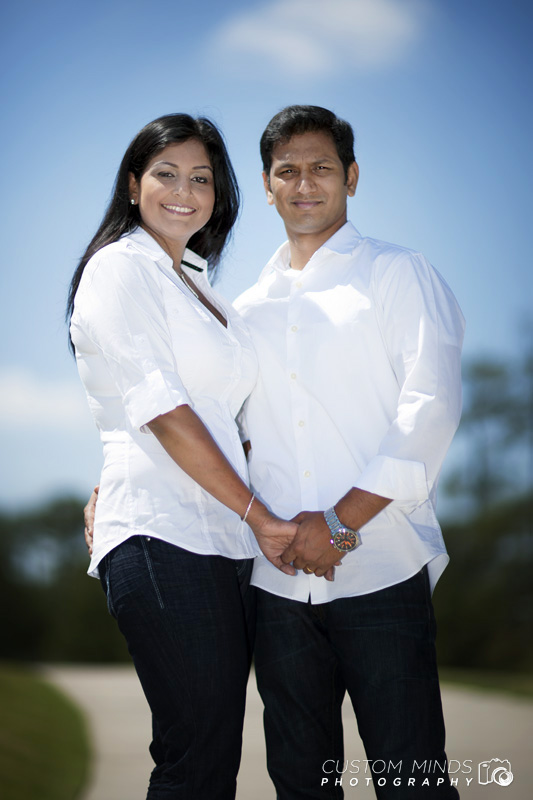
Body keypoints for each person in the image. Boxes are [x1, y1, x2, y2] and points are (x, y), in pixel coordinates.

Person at [232, 105, 464, 799]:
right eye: (287, 171)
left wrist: (338, 525)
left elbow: (430, 409)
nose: (305, 183)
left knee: (410, 781)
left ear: (351, 178)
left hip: (382, 570)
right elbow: (220, 436)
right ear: (267, 185)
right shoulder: (242, 311)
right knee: (300, 785)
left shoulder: (398, 273)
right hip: (275, 587)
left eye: (321, 168)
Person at [67, 113, 301, 800]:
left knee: (213, 758)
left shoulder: (199, 286)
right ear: (133, 183)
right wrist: (259, 513)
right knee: (194, 758)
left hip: (224, 540)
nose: (183, 190)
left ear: (219, 195)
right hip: (160, 534)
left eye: (201, 178)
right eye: (165, 173)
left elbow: (226, 416)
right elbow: (160, 409)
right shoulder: (118, 268)